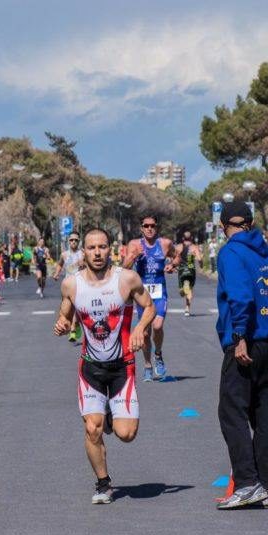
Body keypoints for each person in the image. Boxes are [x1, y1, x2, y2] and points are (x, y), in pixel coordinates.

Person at [53, 227, 155, 504]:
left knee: (126, 434)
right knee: (92, 428)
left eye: (102, 247)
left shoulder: (127, 279)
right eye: (91, 248)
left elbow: (149, 306)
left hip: (123, 366)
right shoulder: (72, 284)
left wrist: (140, 329)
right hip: (91, 368)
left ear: (111, 249)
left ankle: (111, 414)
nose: (97, 253)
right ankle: (103, 483)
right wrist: (63, 323)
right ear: (83, 251)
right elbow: (65, 312)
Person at [214, 201, 268, 509]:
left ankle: (246, 483)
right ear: (250, 222)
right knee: (264, 415)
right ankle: (264, 485)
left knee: (230, 411)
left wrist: (239, 338)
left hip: (248, 342)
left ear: (224, 227)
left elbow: (241, 296)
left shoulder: (231, 252)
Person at [123, 215, 179, 381]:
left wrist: (172, 265)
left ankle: (158, 355)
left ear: (156, 227)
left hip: (159, 291)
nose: (149, 228)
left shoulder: (165, 244)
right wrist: (133, 257)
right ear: (141, 228)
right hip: (142, 294)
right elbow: (123, 269)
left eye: (152, 225)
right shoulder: (134, 244)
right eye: (146, 226)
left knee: (158, 324)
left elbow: (177, 256)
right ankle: (147, 364)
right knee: (145, 334)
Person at [53, 233, 85, 341]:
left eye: (76, 240)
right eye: (71, 240)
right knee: (67, 308)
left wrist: (84, 264)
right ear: (68, 241)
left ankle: (73, 328)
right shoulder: (64, 254)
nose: (73, 242)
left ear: (79, 241)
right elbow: (60, 264)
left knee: (77, 308)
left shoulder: (83, 254)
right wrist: (57, 273)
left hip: (80, 284)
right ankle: (73, 326)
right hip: (67, 285)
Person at [176, 230, 201, 316]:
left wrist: (174, 266)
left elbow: (174, 258)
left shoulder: (178, 247)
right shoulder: (194, 247)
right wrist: (200, 265)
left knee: (184, 290)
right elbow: (199, 259)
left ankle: (182, 290)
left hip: (182, 270)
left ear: (183, 238)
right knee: (189, 289)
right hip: (191, 270)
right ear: (191, 238)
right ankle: (187, 309)